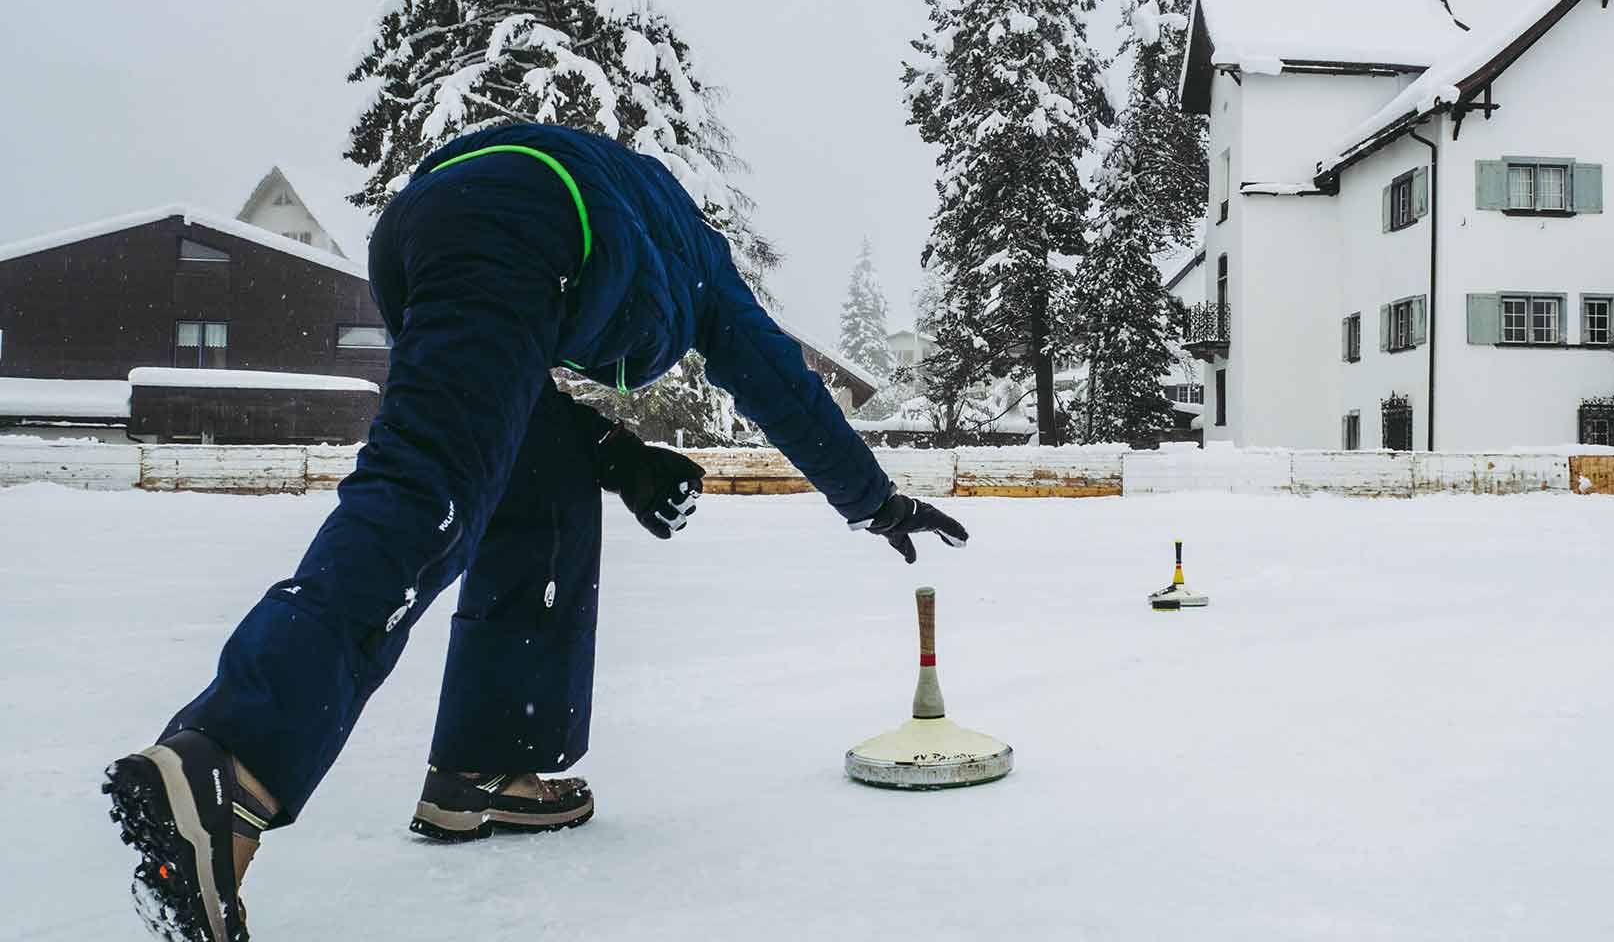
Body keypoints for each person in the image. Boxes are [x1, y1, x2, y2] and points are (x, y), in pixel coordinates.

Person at [103, 124, 969, 942]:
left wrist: (619, 457)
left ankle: (487, 763)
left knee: (529, 480)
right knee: (426, 493)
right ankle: (232, 763)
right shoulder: (700, 261)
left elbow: (515, 384)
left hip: (424, 233)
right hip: (521, 226)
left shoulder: (626, 215)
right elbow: (779, 378)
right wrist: (875, 500)